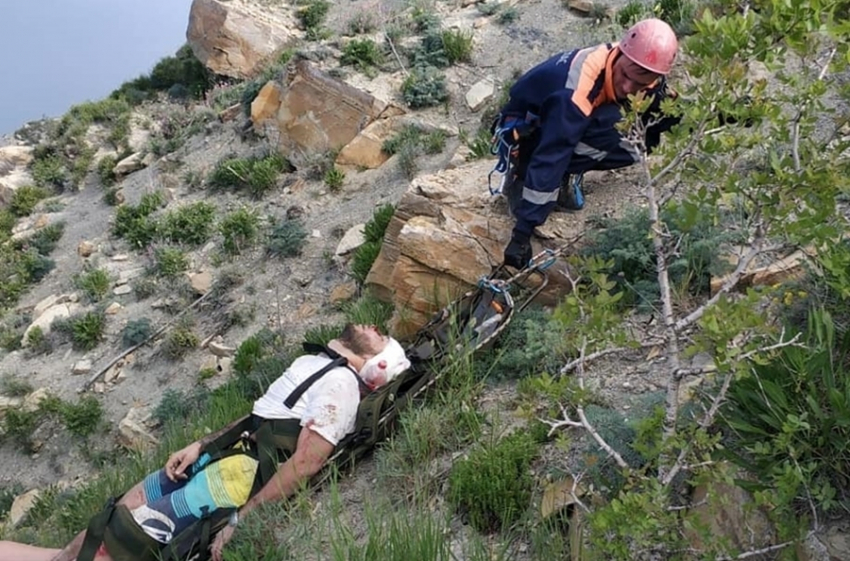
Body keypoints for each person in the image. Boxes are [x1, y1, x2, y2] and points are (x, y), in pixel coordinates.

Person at [0, 324, 410, 561]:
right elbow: (261, 415)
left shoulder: (341, 386)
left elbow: (306, 461)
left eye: (381, 335)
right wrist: (200, 443)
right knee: (108, 521)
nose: (373, 326)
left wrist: (241, 518)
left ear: (380, 364)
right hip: (214, 458)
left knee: (123, 543)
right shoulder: (317, 365)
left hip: (229, 477)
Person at [493, 18, 682, 269]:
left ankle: (570, 171)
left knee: (638, 138)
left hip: (569, 119)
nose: (627, 87)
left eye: (639, 83)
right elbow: (552, 154)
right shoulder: (574, 92)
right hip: (526, 130)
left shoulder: (643, 68)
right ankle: (523, 176)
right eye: (624, 75)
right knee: (607, 127)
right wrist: (522, 234)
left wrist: (730, 113)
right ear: (620, 53)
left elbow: (672, 111)